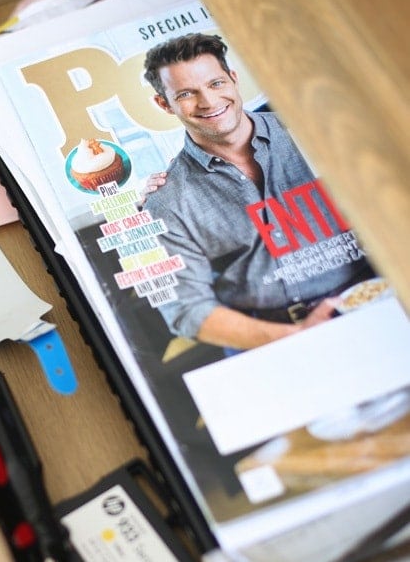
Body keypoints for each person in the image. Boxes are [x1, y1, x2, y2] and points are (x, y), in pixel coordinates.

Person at [142, 33, 373, 350]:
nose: (208, 101)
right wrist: (297, 337)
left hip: (373, 296)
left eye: (216, 84)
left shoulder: (312, 129)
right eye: (186, 93)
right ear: (163, 104)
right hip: (265, 337)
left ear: (233, 79)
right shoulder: (164, 200)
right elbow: (186, 309)